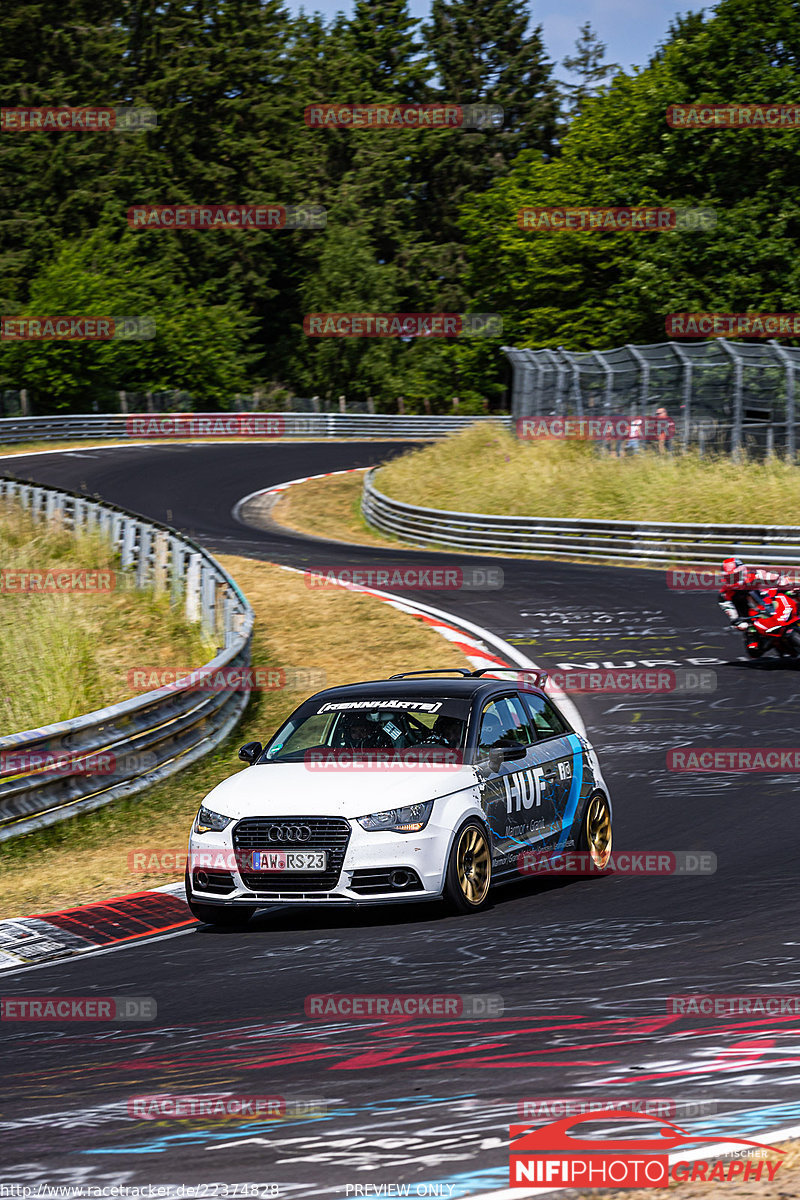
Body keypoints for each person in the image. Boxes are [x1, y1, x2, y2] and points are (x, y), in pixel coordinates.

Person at [718, 557, 799, 654]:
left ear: (742, 572)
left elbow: (776, 578)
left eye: (734, 576)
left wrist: (782, 582)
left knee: (794, 594)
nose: (732, 579)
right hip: (750, 617)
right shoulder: (725, 594)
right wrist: (737, 621)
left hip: (767, 604)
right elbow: (730, 610)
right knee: (753, 650)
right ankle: (772, 642)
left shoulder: (755, 575)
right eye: (729, 577)